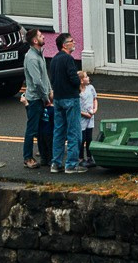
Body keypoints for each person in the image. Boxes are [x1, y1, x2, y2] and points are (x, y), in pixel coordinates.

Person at [48, 33, 83, 174]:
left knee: (59, 132)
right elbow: (74, 78)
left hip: (58, 99)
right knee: (73, 132)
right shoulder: (68, 59)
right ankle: (71, 165)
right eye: (70, 41)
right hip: (70, 98)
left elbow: (53, 78)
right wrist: (78, 85)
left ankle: (55, 164)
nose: (73, 42)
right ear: (64, 45)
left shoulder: (54, 59)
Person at [19, 27, 52, 169]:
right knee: (32, 130)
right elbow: (37, 81)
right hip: (35, 99)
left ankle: (44, 157)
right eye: (40, 35)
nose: (43, 37)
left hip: (42, 96)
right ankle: (27, 158)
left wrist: (50, 90)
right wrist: (46, 97)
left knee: (41, 129)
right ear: (34, 40)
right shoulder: (32, 58)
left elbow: (44, 76)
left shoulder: (39, 54)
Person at [77, 70, 99, 172]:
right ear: (81, 81)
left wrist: (95, 109)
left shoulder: (91, 88)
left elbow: (95, 99)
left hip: (90, 117)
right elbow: (77, 107)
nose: (88, 78)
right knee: (82, 139)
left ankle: (90, 157)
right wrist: (85, 114)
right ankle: (80, 158)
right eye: (86, 77)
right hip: (83, 118)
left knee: (89, 138)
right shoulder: (78, 92)